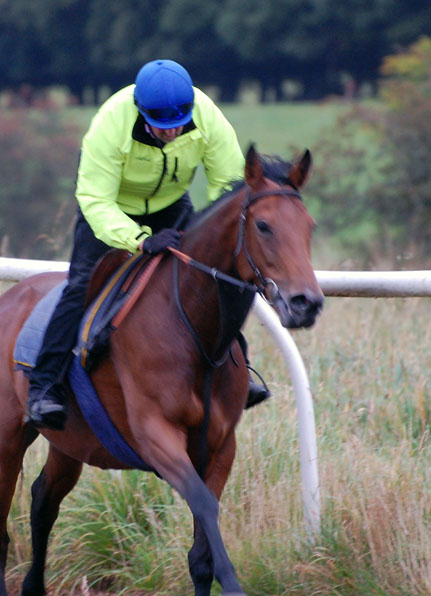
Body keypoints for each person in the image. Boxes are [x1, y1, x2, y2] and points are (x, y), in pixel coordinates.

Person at [25, 59, 269, 431]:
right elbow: (95, 200)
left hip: (172, 206)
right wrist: (139, 241)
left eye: (179, 125)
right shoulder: (110, 124)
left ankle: (238, 371)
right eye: (162, 126)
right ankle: (44, 389)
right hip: (110, 210)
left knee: (216, 278)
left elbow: (230, 185)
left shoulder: (207, 115)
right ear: (140, 111)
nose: (172, 133)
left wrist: (215, 232)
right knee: (81, 287)